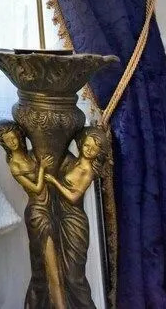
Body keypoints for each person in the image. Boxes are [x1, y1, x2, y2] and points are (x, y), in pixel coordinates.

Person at [0, 120, 65, 309]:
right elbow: (36, 188)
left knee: (58, 262)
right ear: (4, 143)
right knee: (50, 265)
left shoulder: (32, 154)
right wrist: (42, 168)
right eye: (7, 140)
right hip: (38, 214)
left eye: (13, 137)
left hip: (51, 207)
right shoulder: (15, 165)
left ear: (19, 136)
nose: (12, 142)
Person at [46, 126, 110, 307]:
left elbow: (74, 197)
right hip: (62, 219)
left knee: (75, 276)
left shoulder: (88, 171)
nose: (89, 150)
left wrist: (54, 181)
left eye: (94, 149)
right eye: (87, 145)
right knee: (64, 271)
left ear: (98, 152)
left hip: (74, 222)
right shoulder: (72, 162)